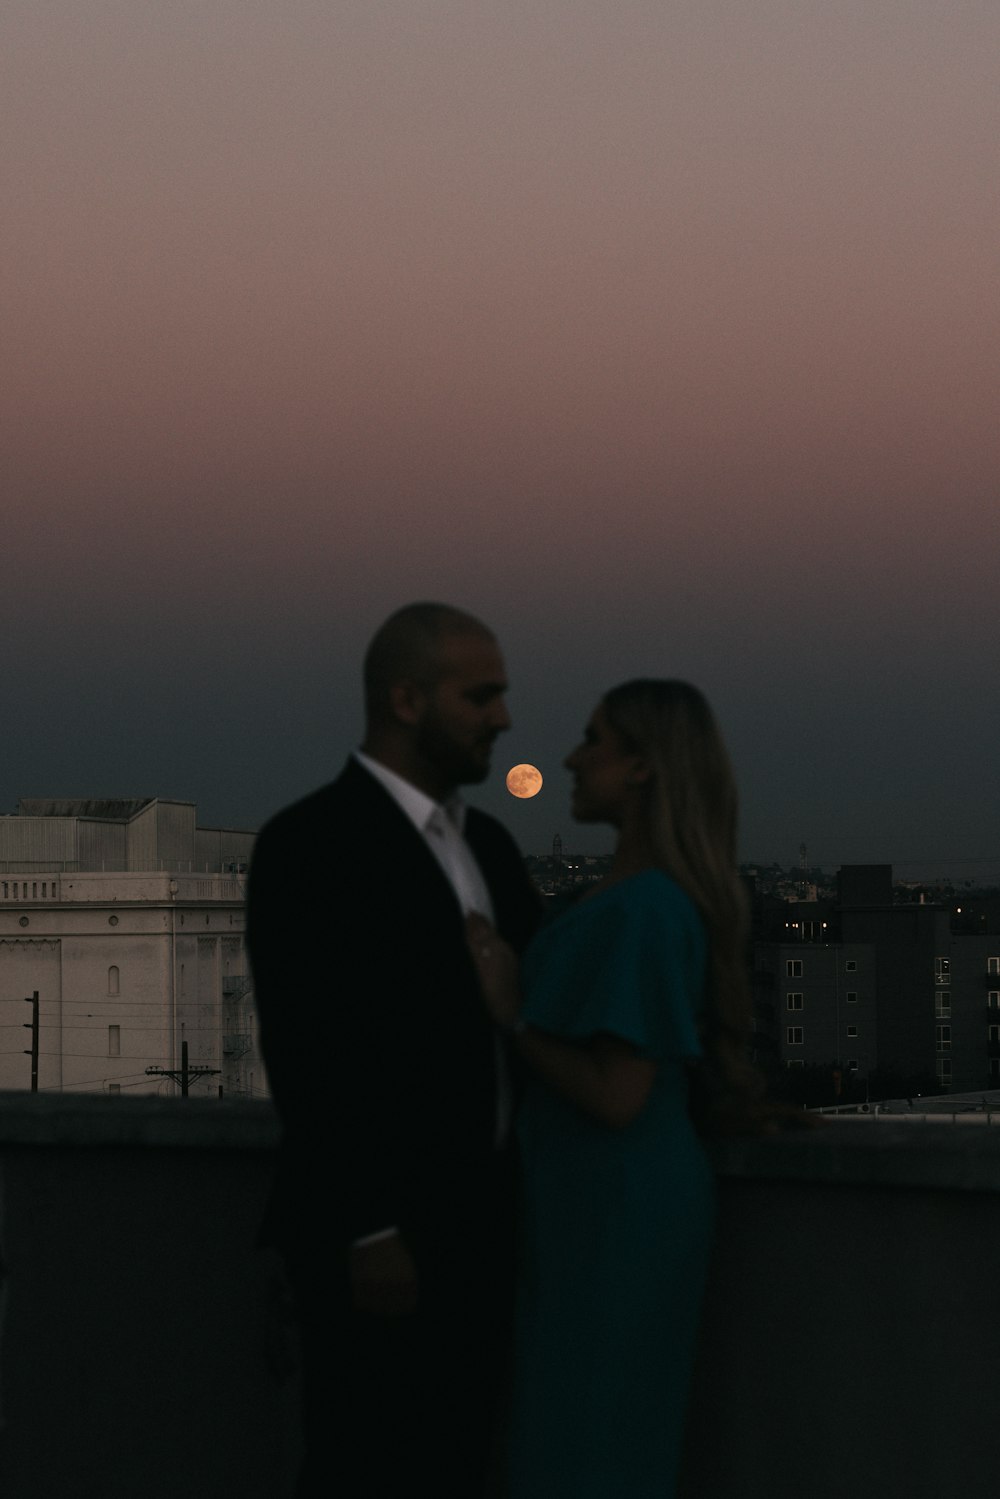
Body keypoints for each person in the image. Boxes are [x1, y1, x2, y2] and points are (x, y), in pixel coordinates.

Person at [247, 603, 541, 1499]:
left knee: (451, 1462)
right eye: (480, 694)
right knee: (363, 1462)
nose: (503, 717)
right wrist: (369, 1226)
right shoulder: (312, 842)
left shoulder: (487, 842)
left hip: (480, 1230)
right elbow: (310, 1049)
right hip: (378, 1243)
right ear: (407, 700)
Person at [467, 679, 759, 1499]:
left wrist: (511, 1014)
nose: (566, 757)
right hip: (598, 1205)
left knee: (590, 1449)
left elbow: (618, 1091)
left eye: (591, 738)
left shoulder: (646, 910)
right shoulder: (640, 901)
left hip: (617, 1214)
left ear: (640, 767)